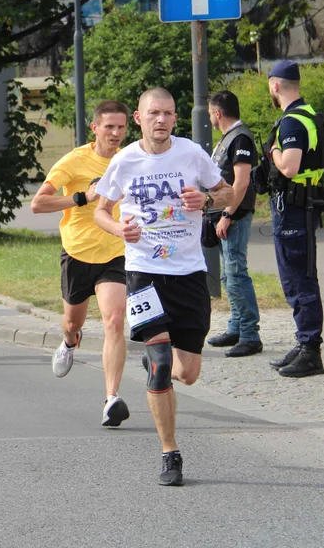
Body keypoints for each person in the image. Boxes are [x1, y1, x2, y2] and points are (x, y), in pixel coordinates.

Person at [93, 87, 233, 486]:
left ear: (175, 118)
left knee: (187, 373)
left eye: (168, 113)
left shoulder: (192, 154)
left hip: (188, 275)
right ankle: (170, 453)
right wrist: (119, 227)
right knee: (160, 365)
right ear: (139, 117)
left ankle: (164, 365)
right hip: (143, 274)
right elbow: (101, 211)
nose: (161, 120)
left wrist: (206, 199)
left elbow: (229, 194)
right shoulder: (124, 161)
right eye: (153, 113)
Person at [30, 100, 132, 427]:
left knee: (115, 320)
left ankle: (111, 398)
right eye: (109, 127)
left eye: (121, 127)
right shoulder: (75, 161)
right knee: (73, 322)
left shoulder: (130, 159)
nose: (116, 133)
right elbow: (38, 203)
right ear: (95, 128)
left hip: (115, 251)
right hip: (76, 253)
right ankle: (70, 341)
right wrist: (80, 198)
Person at [262, 60, 324, 378]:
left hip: (294, 208)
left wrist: (272, 149)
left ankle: (311, 350)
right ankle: (304, 343)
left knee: (298, 279)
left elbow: (288, 167)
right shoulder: (310, 114)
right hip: (303, 205)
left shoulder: (291, 123)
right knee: (299, 277)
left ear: (275, 85)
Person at [205, 91, 262, 357]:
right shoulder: (229, 139)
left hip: (235, 216)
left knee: (237, 274)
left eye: (210, 113)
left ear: (218, 113)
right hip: (225, 215)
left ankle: (250, 335)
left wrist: (227, 214)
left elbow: (241, 182)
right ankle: (236, 327)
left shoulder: (240, 138)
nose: (209, 118)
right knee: (229, 275)